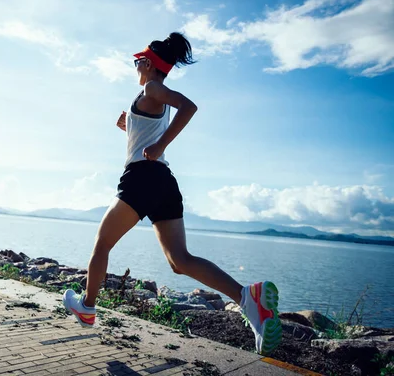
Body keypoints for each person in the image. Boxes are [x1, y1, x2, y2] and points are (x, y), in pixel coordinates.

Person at [63, 32, 282, 355]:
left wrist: (160, 144)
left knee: (102, 243)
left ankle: (87, 306)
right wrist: (132, 127)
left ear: (148, 65)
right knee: (180, 261)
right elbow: (149, 134)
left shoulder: (150, 88)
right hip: (163, 181)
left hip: (141, 178)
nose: (135, 65)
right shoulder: (150, 97)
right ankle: (248, 299)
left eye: (138, 61)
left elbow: (189, 107)